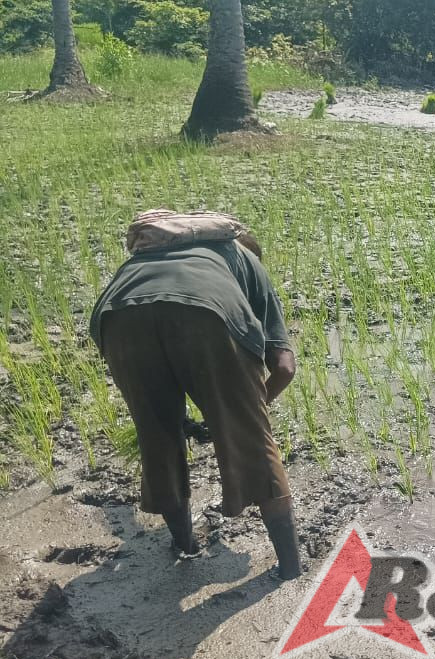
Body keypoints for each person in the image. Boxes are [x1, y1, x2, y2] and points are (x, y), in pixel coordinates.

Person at [90, 209, 303, 580]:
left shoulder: (151, 257)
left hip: (118, 316)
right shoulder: (246, 258)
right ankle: (290, 567)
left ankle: (185, 546)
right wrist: (249, 411)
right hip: (206, 311)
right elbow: (283, 366)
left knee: (158, 437)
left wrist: (184, 419)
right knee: (253, 443)